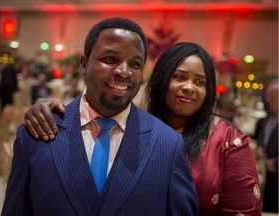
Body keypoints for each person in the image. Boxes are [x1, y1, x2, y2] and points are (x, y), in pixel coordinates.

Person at [24, 42, 262, 215]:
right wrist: (51, 110)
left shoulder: (228, 139)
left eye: (200, 82)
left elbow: (243, 211)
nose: (189, 88)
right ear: (160, 80)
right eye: (179, 77)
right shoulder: (130, 126)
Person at [2, 17, 199, 216]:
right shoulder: (36, 135)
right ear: (84, 64)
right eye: (110, 59)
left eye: (135, 63)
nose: (124, 72)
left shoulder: (167, 143)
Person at [254, 78, 278, 213]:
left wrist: (273, 163)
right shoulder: (271, 113)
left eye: (272, 97)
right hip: (267, 173)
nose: (268, 101)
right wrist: (259, 147)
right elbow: (262, 134)